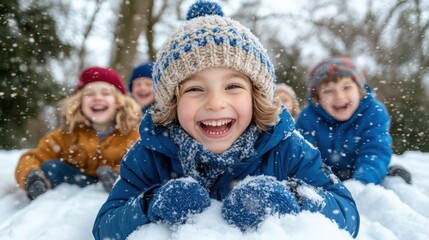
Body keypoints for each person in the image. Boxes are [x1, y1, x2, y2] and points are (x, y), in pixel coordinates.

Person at [92, 1, 359, 239]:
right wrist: (151, 202)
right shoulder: (151, 153)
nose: (216, 103)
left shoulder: (285, 146)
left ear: (256, 96)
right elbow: (105, 226)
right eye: (195, 89)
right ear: (172, 103)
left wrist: (292, 196)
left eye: (232, 86)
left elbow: (347, 215)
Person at [15, 66, 142, 200]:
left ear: (119, 102)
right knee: (50, 167)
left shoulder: (133, 134)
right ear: (79, 102)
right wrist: (32, 176)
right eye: (89, 94)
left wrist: (118, 174)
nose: (97, 98)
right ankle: (44, 191)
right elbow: (31, 157)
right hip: (76, 182)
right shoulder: (68, 133)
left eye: (105, 93)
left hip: (113, 191)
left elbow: (140, 162)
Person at [296, 56, 411, 184]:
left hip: (359, 169)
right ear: (317, 97)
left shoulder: (373, 112)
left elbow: (375, 150)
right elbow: (304, 157)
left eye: (346, 87)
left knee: (389, 173)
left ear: (359, 90)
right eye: (328, 91)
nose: (339, 96)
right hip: (326, 174)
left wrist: (361, 183)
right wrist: (322, 184)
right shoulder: (308, 118)